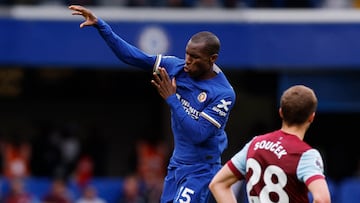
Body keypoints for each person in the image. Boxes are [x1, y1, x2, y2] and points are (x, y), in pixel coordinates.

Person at [69, 5, 236, 203]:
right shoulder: (178, 68)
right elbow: (133, 57)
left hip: (202, 170)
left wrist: (172, 99)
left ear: (212, 59)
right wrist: (101, 26)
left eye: (195, 57)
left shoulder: (223, 94)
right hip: (177, 166)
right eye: (187, 54)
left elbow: (199, 134)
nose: (187, 61)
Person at [209, 85, 331, 203]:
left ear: (281, 112)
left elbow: (218, 184)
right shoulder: (306, 155)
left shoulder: (255, 144)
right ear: (312, 117)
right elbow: (322, 199)